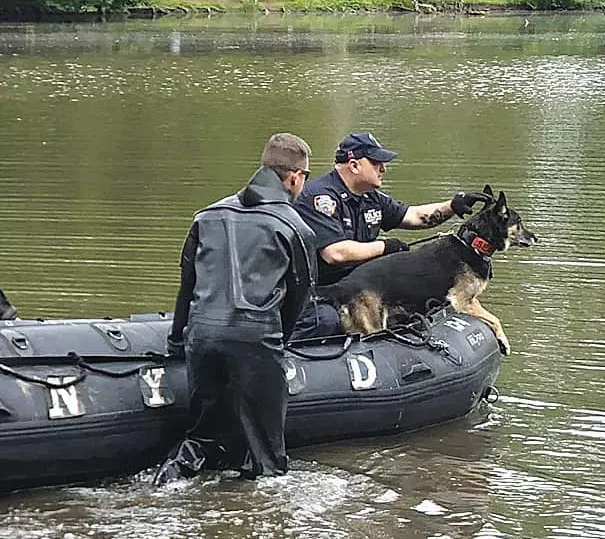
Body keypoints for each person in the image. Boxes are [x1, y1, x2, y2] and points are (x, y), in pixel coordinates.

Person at [153, 132, 317, 485]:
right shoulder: (296, 227)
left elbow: (187, 285)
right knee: (267, 457)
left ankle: (166, 484)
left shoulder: (206, 216)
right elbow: (300, 296)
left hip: (202, 336)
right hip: (255, 338)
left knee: (200, 436)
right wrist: (277, 341)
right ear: (294, 177)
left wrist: (177, 343)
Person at [290, 132, 489, 339]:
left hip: (365, 289)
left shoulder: (371, 198)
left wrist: (453, 206)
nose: (383, 169)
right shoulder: (320, 197)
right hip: (322, 293)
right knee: (326, 320)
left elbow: (414, 216)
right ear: (354, 165)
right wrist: (385, 247)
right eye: (376, 163)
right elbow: (335, 253)